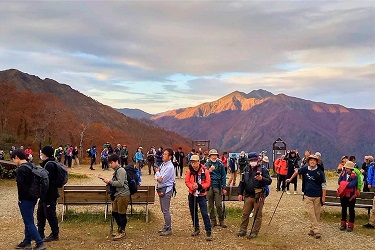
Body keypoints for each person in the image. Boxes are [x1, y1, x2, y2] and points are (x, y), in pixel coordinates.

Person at [12, 149, 46, 250]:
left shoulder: (21, 169)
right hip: (33, 197)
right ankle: (27, 241)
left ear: (17, 157)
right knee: (29, 220)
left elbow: (21, 186)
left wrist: (20, 199)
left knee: (29, 222)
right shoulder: (31, 165)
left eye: (13, 159)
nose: (14, 162)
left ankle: (39, 243)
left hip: (25, 199)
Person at [286, 154, 326, 239]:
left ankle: (312, 229)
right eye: (311, 160)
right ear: (308, 161)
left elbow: (324, 185)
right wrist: (290, 179)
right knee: (311, 213)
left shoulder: (320, 172)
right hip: (307, 195)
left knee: (316, 214)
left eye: (314, 160)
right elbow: (297, 172)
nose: (312, 162)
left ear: (316, 162)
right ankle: (317, 230)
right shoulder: (305, 169)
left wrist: (323, 197)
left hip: (318, 195)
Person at [237, 152, 272, 239]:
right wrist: (240, 193)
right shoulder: (245, 169)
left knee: (257, 215)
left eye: (254, 160)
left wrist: (262, 179)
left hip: (259, 195)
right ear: (248, 161)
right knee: (245, 213)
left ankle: (254, 232)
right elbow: (241, 182)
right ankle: (243, 229)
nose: (253, 162)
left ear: (258, 160)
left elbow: (269, 181)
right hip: (248, 195)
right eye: (251, 160)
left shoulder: (263, 169)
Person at [101, 154, 130, 240]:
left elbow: (120, 183)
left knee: (121, 214)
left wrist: (109, 181)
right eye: (109, 163)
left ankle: (122, 231)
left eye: (111, 163)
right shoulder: (116, 171)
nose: (110, 165)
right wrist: (109, 182)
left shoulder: (121, 170)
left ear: (116, 162)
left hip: (123, 195)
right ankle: (120, 229)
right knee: (115, 213)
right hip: (118, 195)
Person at [185, 154, 212, 241]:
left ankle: (208, 231)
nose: (193, 164)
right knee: (193, 212)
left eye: (195, 162)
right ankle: (196, 228)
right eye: (192, 162)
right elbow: (187, 181)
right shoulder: (189, 170)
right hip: (192, 194)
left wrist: (200, 186)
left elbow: (208, 183)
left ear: (199, 162)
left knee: (204, 213)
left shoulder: (205, 170)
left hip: (202, 195)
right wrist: (192, 186)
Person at [37, 146, 60, 242]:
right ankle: (40, 233)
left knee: (50, 214)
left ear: (45, 154)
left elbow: (47, 181)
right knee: (40, 213)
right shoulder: (48, 163)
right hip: (45, 194)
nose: (40, 154)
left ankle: (55, 234)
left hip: (49, 194)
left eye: (41, 153)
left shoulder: (49, 165)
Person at [155, 148, 176, 236]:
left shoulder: (170, 167)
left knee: (166, 210)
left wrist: (157, 172)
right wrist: (158, 174)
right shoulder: (164, 164)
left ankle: (168, 228)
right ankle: (166, 225)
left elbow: (161, 179)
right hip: (161, 189)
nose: (163, 155)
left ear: (170, 157)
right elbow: (158, 178)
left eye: (165, 154)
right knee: (163, 209)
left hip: (166, 190)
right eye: (163, 154)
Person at [205, 149, 227, 228]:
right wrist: (209, 171)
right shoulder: (207, 164)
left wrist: (224, 187)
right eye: (212, 155)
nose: (214, 156)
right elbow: (203, 175)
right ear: (210, 156)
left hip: (218, 185)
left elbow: (223, 176)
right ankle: (213, 220)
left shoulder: (220, 164)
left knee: (218, 204)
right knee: (210, 205)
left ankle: (221, 220)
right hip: (209, 186)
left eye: (215, 155)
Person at [337, 161, 358, 232]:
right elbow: (339, 181)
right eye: (346, 168)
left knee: (351, 210)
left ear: (351, 169)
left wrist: (343, 184)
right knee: (344, 209)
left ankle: (350, 224)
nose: (346, 169)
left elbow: (351, 185)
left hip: (351, 196)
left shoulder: (355, 176)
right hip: (343, 195)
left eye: (348, 168)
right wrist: (346, 184)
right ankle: (343, 224)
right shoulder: (343, 174)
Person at [363, 160, 375, 229]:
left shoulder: (372, 166)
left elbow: (369, 175)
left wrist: (369, 183)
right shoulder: (372, 167)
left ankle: (372, 222)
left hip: (373, 185)